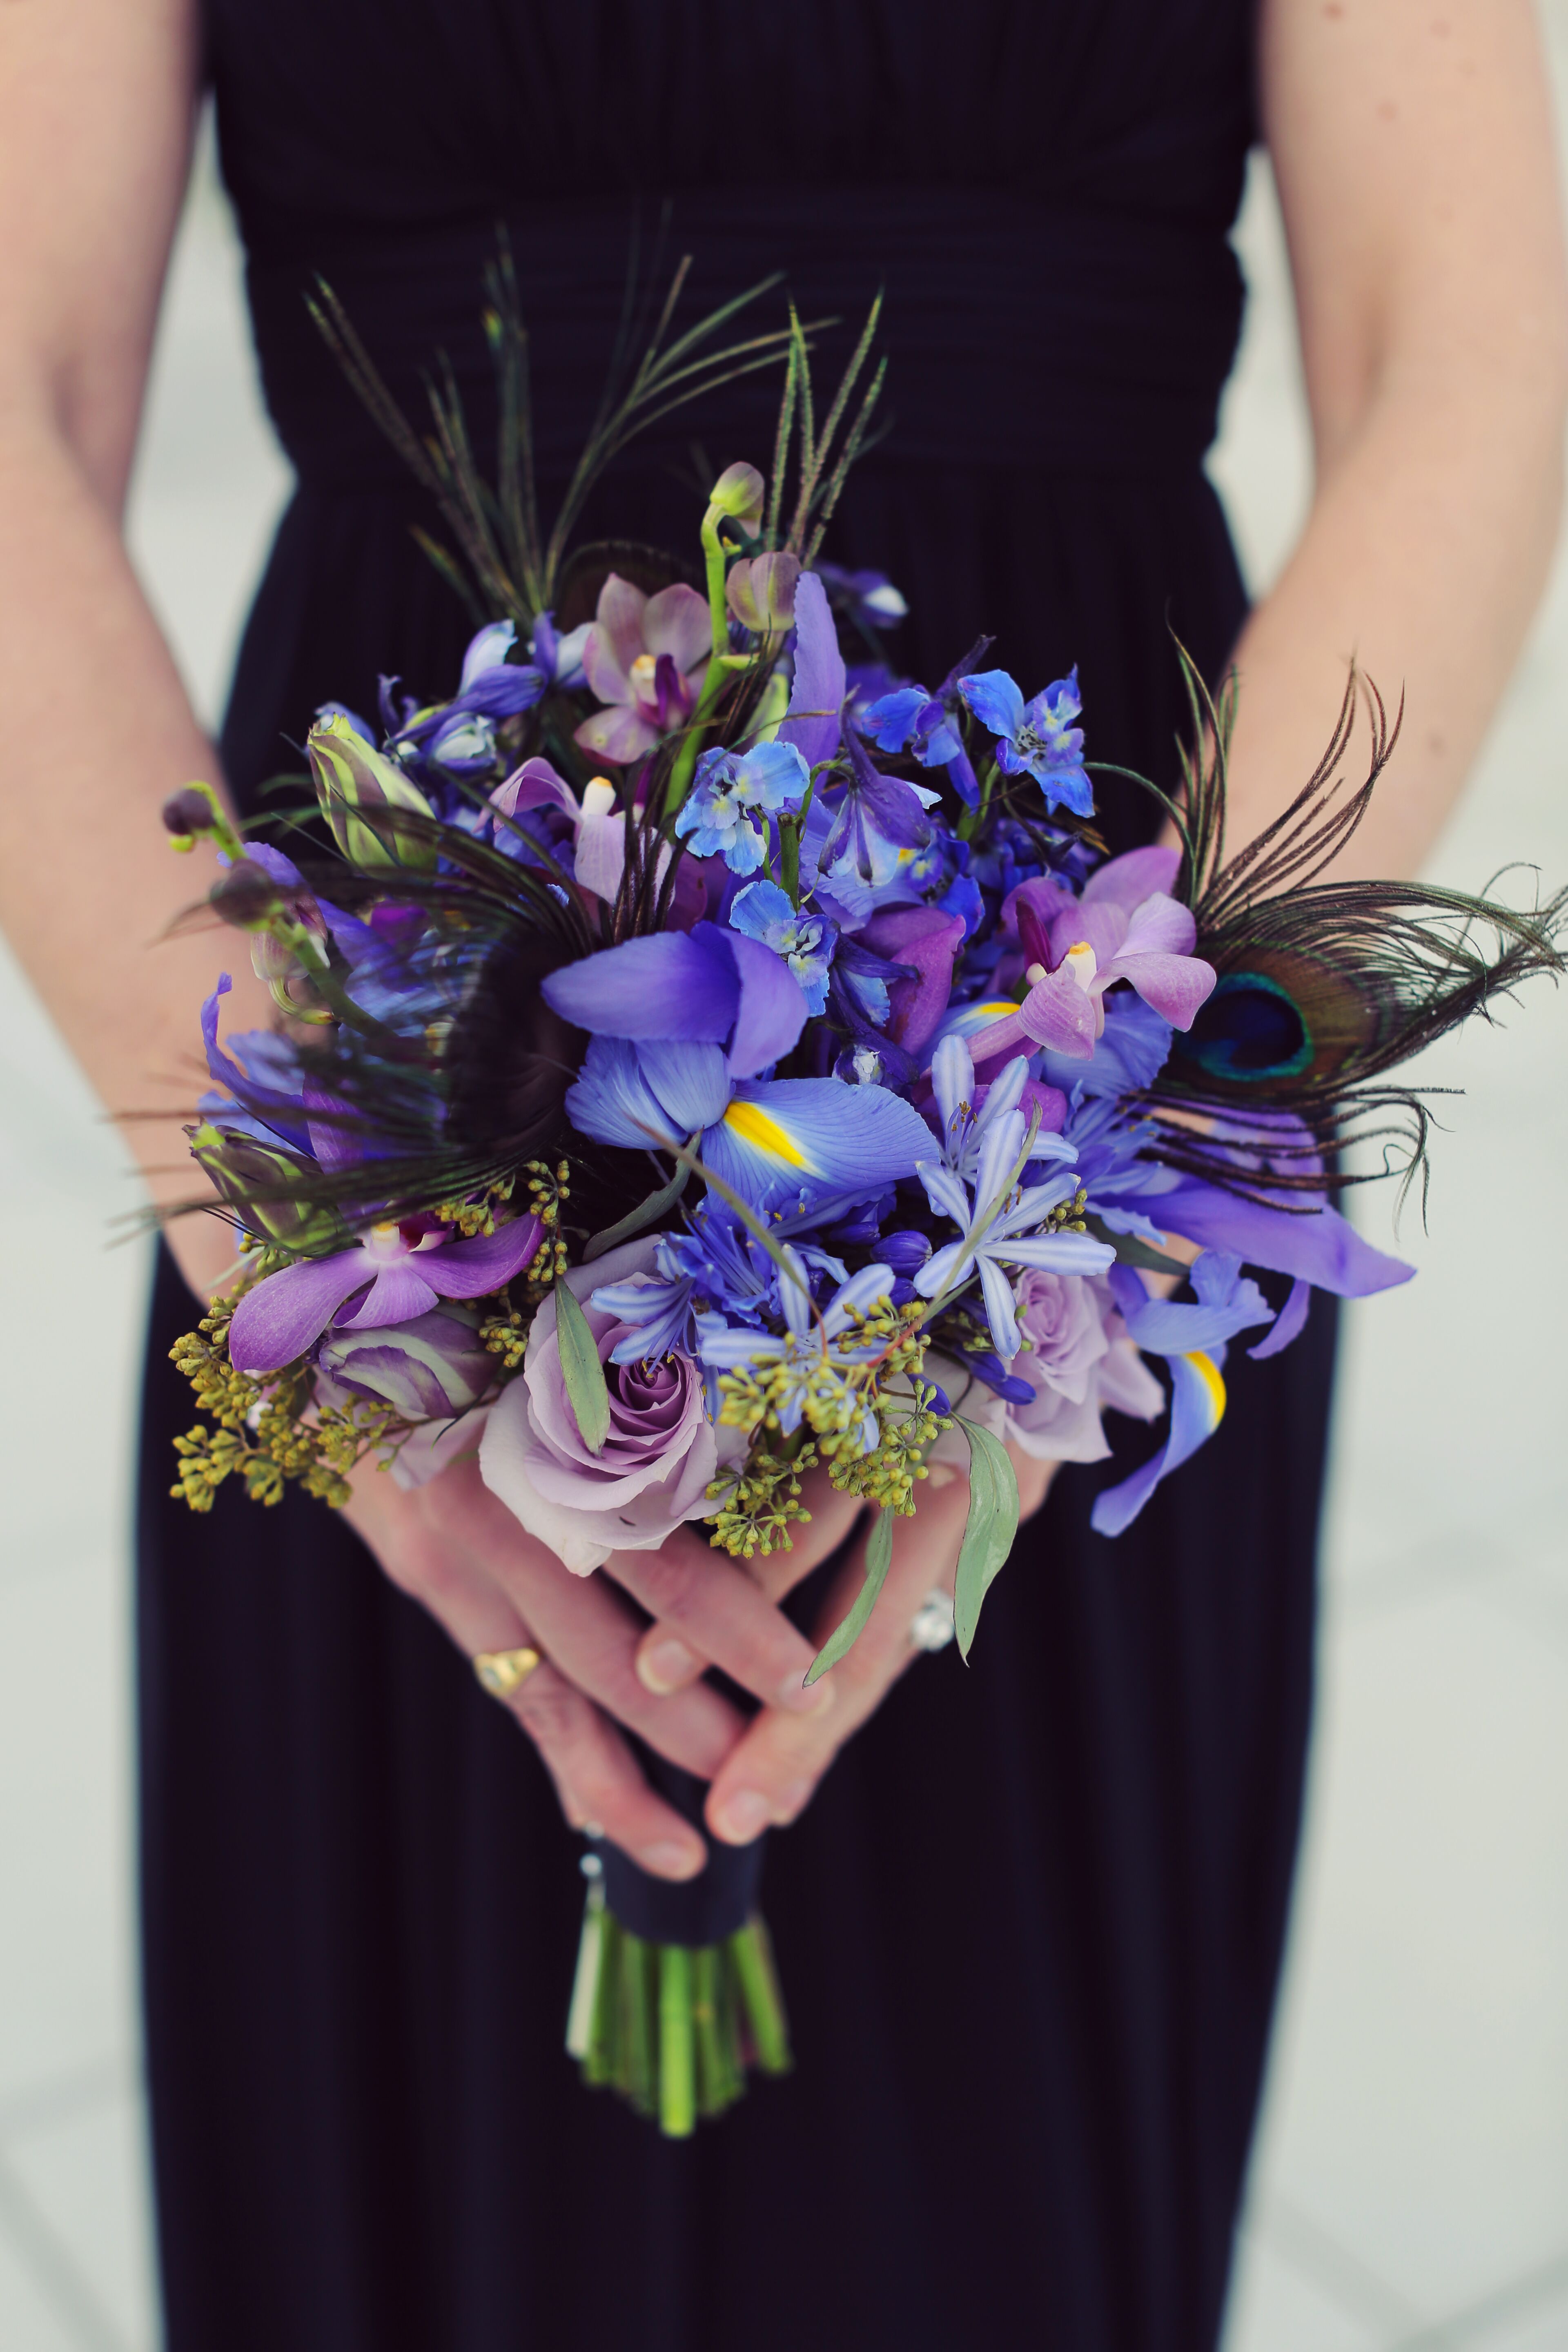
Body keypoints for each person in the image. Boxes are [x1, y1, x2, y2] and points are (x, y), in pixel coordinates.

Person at [0, 2, 1562, 2346]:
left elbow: (1459, 344)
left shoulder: (1090, 1108)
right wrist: (332, 1251)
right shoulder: (345, 1177)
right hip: (386, 1009)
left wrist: (1096, 1149)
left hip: (1082, 970)